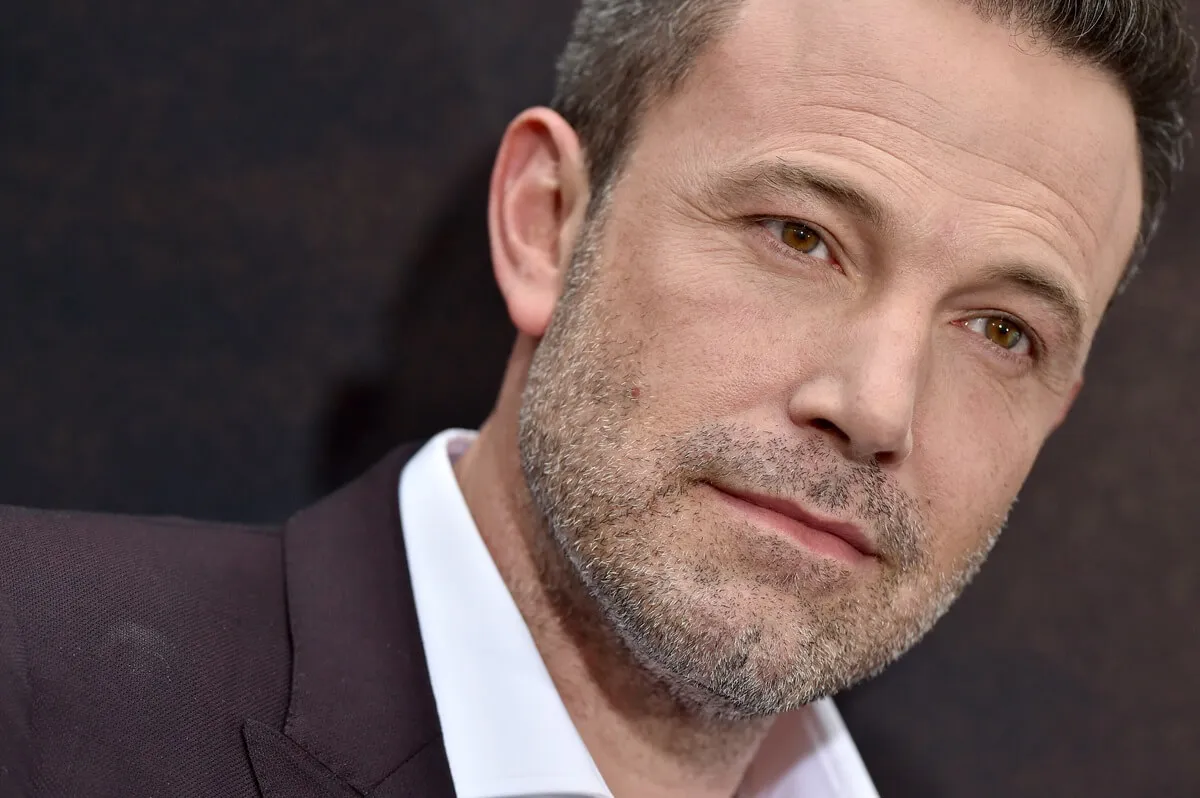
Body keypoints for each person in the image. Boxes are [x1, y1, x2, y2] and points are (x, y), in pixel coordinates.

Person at [1, 0, 1195, 796]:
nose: (879, 406)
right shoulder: (33, 686)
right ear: (547, 226)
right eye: (799, 235)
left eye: (1000, 330)